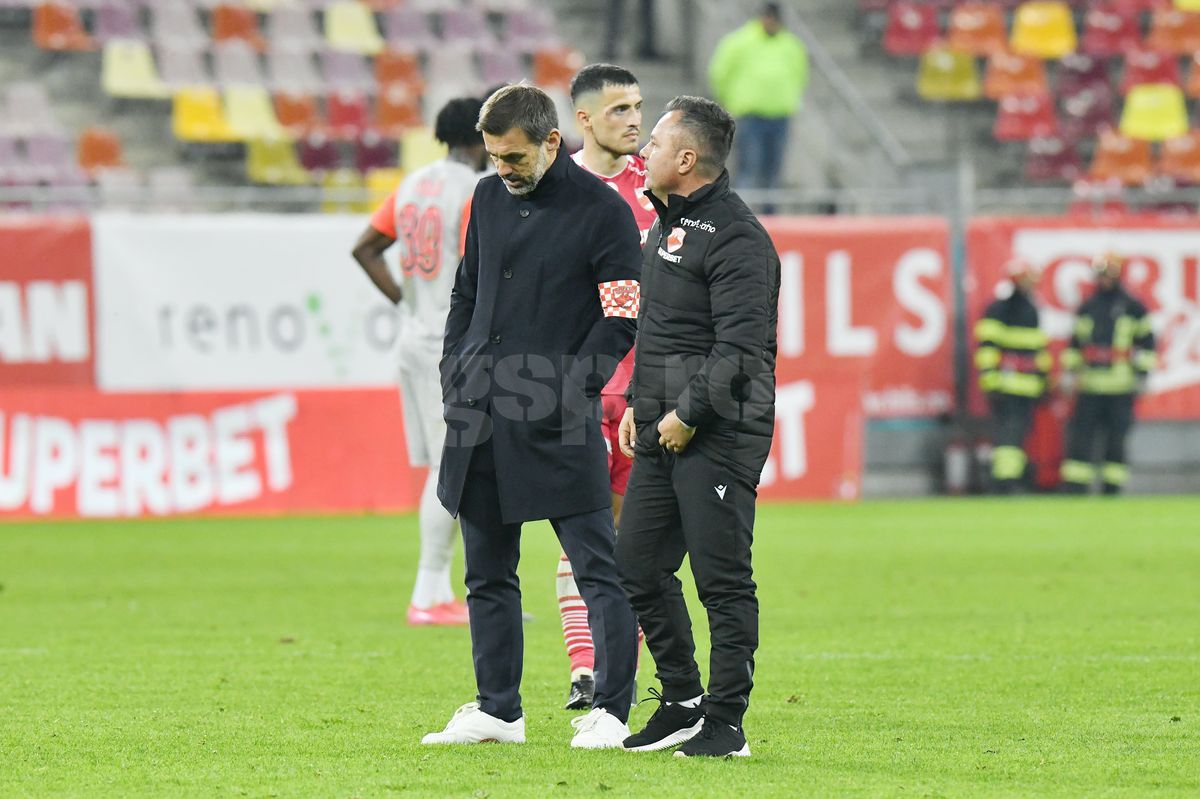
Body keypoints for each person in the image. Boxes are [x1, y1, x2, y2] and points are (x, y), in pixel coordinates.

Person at [421, 84, 642, 749]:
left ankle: (611, 710)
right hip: (480, 414)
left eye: (512, 157)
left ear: (551, 142)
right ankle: (498, 710)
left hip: (558, 416)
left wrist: (570, 389)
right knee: (486, 572)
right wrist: (452, 370)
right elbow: (466, 290)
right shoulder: (486, 197)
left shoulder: (604, 212)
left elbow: (621, 318)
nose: (502, 170)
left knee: (596, 566)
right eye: (492, 156)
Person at [616, 96, 780, 758]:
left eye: (654, 141)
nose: (642, 151)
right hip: (661, 426)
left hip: (719, 430)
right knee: (636, 565)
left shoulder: (739, 238)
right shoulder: (664, 229)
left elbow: (743, 351)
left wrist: (687, 412)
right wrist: (637, 398)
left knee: (721, 579)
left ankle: (727, 721)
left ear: (686, 159)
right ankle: (682, 700)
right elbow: (660, 331)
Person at [350, 97, 489, 626]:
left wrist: (406, 300)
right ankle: (429, 595)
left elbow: (365, 248)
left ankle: (448, 591)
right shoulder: (475, 191)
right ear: (482, 137)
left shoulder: (413, 184)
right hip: (449, 344)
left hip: (415, 336)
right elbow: (482, 265)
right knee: (449, 466)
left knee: (453, 464)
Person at [555, 63, 657, 711]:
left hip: (648, 383)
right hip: (577, 383)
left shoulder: (661, 186)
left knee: (636, 538)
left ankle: (619, 668)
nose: (635, 120)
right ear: (585, 119)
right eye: (619, 110)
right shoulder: (552, 189)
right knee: (581, 531)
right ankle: (586, 668)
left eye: (639, 107)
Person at [1059, 252, 1157, 495]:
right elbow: (1075, 344)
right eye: (1101, 274)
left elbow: (1147, 343)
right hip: (1090, 386)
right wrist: (1071, 373)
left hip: (1120, 387)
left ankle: (1112, 487)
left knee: (1116, 440)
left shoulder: (1133, 307)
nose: (1105, 279)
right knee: (1081, 439)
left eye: (1109, 274)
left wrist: (1142, 374)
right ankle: (1076, 487)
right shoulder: (1088, 307)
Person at [708, 2, 809, 212]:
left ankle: (771, 216)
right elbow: (720, 73)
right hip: (750, 115)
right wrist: (731, 102)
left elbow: (800, 75)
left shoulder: (791, 45)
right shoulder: (740, 42)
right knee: (748, 168)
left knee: (773, 171)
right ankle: (741, 216)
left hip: (780, 116)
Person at [974, 258, 1051, 494]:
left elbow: (1038, 349)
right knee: (1008, 434)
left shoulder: (1032, 308)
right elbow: (987, 347)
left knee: (1019, 435)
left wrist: (1043, 380)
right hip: (1006, 384)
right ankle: (1004, 481)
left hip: (1026, 385)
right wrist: (990, 381)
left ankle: (1013, 478)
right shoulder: (999, 309)